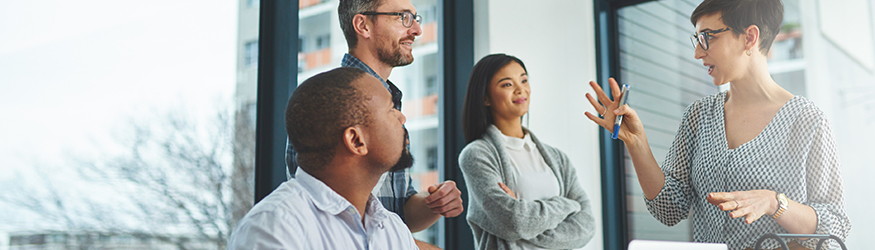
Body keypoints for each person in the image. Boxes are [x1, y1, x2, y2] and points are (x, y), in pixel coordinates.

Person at [584, 0, 850, 249]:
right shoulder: (698, 116)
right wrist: (636, 142)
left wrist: (773, 202)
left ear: (749, 37)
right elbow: (668, 209)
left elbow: (835, 225)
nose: (698, 52)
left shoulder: (807, 120)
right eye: (696, 39)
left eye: (707, 37)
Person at [286, 0, 464, 248]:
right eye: (403, 17)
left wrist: (432, 203)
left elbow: (397, 212)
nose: (416, 30)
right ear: (363, 25)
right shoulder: (326, 101)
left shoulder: (392, 105)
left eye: (415, 18)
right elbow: (328, 217)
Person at [228, 67, 418, 249]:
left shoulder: (393, 230)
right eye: (390, 109)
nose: (402, 118)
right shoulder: (274, 227)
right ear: (356, 140)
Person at [458, 54, 596, 250]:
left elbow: (587, 226)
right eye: (507, 84)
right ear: (485, 97)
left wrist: (525, 215)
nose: (520, 89)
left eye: (523, 80)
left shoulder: (557, 158)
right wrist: (568, 205)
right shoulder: (476, 155)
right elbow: (515, 222)